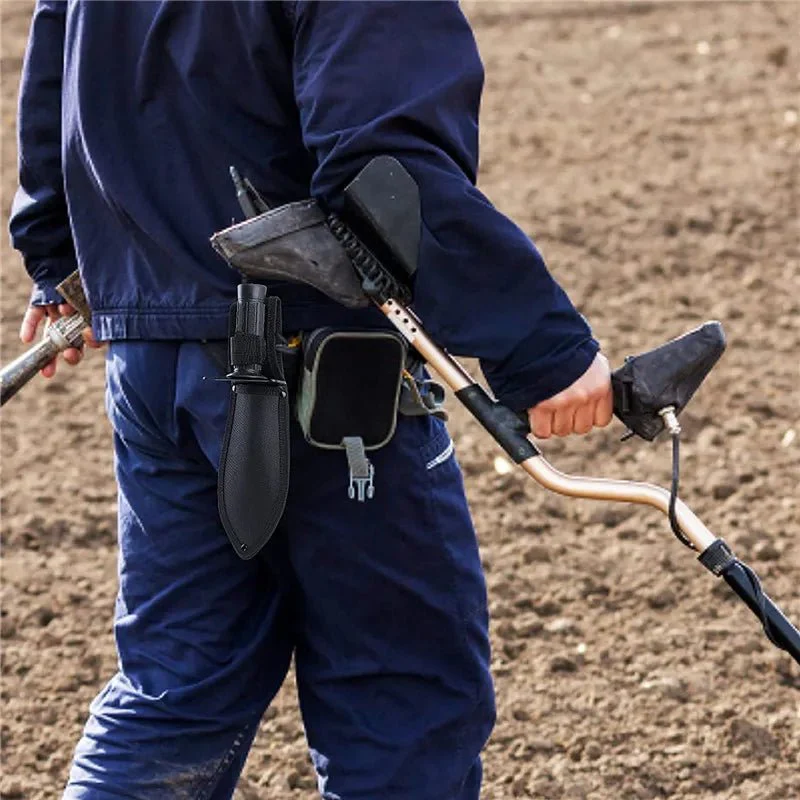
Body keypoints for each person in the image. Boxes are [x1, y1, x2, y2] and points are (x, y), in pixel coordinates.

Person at [10, 2, 613, 797]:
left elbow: (58, 67)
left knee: (176, 690)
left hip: (155, 361)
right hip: (317, 371)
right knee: (400, 692)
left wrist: (59, 261)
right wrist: (539, 349)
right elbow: (383, 166)